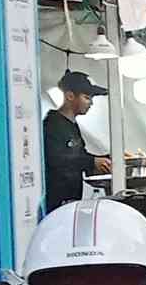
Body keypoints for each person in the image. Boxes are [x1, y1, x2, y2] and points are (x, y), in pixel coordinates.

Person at [43, 70, 111, 211]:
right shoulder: (52, 125)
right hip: (56, 201)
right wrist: (93, 162)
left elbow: (80, 155)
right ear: (70, 96)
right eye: (87, 97)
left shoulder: (71, 125)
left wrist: (108, 158)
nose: (91, 103)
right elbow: (57, 159)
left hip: (71, 200)